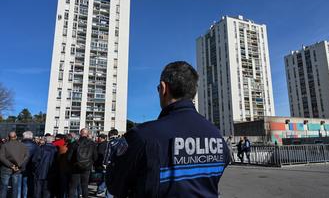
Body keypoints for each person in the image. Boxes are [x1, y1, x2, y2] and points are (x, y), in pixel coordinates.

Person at [106, 61, 231, 197]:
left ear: (164, 88)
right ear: (193, 92)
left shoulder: (142, 136)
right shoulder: (216, 134)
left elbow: (115, 185)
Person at [67, 128, 98, 198]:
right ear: (87, 134)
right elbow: (95, 157)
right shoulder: (92, 143)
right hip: (87, 167)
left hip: (75, 167)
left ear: (80, 133)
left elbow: (69, 158)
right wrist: (90, 163)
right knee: (85, 186)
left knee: (73, 186)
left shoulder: (74, 143)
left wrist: (73, 163)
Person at [0, 131, 29, 198]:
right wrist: (19, 164)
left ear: (8, 137)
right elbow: (27, 156)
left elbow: (1, 157)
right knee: (15, 187)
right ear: (16, 137)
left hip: (6, 168)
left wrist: (11, 165)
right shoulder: (22, 145)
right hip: (16, 168)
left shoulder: (4, 145)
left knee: (4, 187)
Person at [21, 131, 39, 198]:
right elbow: (37, 158)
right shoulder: (36, 146)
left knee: (22, 184)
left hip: (21, 167)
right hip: (32, 167)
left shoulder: (20, 144)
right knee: (30, 184)